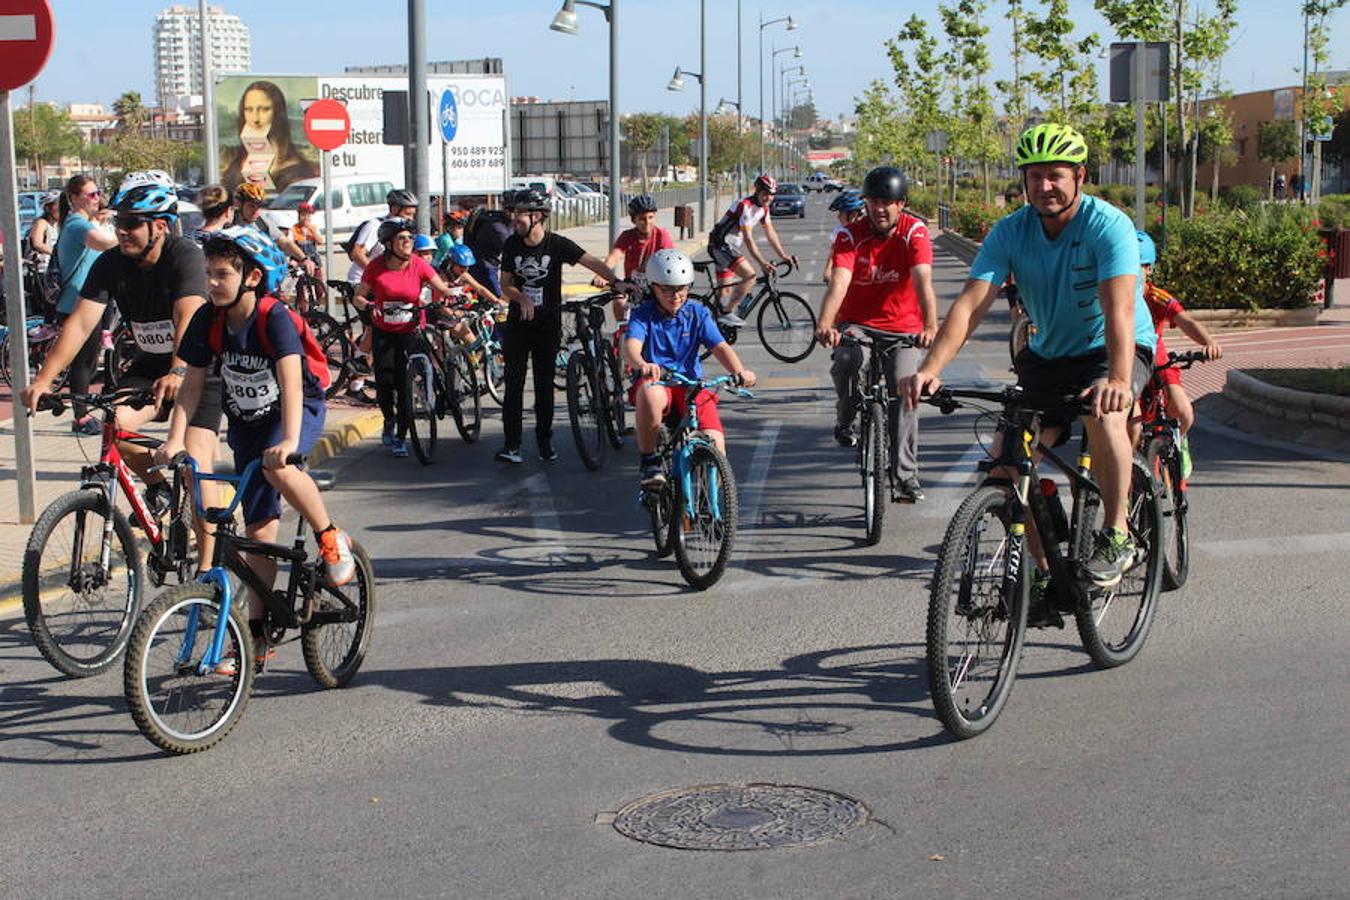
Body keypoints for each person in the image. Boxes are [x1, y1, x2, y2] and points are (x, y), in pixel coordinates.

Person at [900, 123, 1159, 594]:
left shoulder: (1108, 226)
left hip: (1112, 348)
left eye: (1055, 175)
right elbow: (970, 305)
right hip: (1049, 354)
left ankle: (1117, 533)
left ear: (1080, 176)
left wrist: (1119, 380)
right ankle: (1042, 577)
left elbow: (1119, 309)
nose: (1045, 186)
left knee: (1105, 416)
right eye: (1035, 176)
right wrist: (929, 370)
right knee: (1006, 469)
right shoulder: (1011, 232)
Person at [158, 226, 354, 673]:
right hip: (247, 424)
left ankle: (330, 536)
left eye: (222, 274)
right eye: (208, 273)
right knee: (259, 537)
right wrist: (174, 440)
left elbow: (291, 381)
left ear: (252, 277)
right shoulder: (209, 319)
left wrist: (289, 441)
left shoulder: (273, 317)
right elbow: (191, 386)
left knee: (279, 469)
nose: (211, 282)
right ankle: (256, 641)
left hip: (294, 411)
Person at [23, 171, 223, 567]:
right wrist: (43, 380)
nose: (122, 230)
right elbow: (81, 323)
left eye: (132, 223)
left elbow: (188, 317)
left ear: (160, 226)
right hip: (149, 366)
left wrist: (178, 371)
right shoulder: (110, 263)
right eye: (119, 221)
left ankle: (208, 574)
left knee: (195, 465)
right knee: (116, 426)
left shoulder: (185, 256)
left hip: (198, 369)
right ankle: (157, 488)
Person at [816, 167, 938, 503]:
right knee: (848, 360)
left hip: (904, 328)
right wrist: (825, 323)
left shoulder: (914, 232)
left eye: (887, 203)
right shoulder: (849, 235)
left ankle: (905, 477)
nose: (880, 209)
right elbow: (839, 281)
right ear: (865, 203)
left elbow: (922, 279)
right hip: (857, 323)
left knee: (907, 389)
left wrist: (930, 326)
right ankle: (845, 419)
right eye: (873, 202)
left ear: (901, 204)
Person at [496, 188, 634, 464]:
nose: (514, 218)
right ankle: (512, 446)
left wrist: (617, 282)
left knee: (544, 385)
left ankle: (545, 443)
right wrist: (520, 297)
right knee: (513, 385)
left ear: (536, 216)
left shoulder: (556, 244)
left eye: (519, 213)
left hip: (547, 325)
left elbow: (591, 262)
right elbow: (505, 284)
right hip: (518, 325)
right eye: (513, 212)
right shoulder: (512, 244)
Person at [624, 249, 757, 487]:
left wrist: (739, 372)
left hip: (690, 385)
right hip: (659, 382)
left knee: (716, 442)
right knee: (650, 392)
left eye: (681, 288)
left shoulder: (697, 312)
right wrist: (643, 364)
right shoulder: (642, 315)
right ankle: (649, 461)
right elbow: (631, 347)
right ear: (653, 288)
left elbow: (720, 346)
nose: (675, 296)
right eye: (667, 289)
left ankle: (710, 500)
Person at [351, 217, 465, 458]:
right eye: (401, 238)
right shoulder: (376, 266)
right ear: (389, 243)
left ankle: (401, 436)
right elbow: (358, 297)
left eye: (410, 238)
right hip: (384, 331)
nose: (408, 242)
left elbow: (440, 286)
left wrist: (454, 294)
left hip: (410, 329)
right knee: (385, 383)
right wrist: (369, 305)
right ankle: (389, 420)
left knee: (405, 384)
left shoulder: (418, 264)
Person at [1136, 230, 1222, 477]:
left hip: (1158, 360)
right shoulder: (1113, 295)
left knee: (1184, 413)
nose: (1131, 274)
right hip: (1128, 362)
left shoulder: (1156, 297)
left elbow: (1186, 321)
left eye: (1138, 267)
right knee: (1130, 425)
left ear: (1149, 269)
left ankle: (1176, 442)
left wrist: (1209, 342)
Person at [50, 175, 118, 433]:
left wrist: (101, 221)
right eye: (90, 194)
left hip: (84, 301)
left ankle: (79, 409)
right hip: (76, 303)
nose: (97, 198)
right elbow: (102, 243)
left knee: (87, 361)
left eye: (97, 192)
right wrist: (130, 237)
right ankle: (81, 417)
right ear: (74, 198)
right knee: (84, 362)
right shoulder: (77, 224)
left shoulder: (80, 222)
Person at [706, 173, 796, 327]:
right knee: (750, 276)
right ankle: (727, 313)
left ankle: (710, 326)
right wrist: (762, 263)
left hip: (729, 247)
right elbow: (748, 238)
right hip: (721, 246)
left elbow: (770, 233)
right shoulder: (745, 206)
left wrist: (783, 255)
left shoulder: (764, 209)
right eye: (765, 194)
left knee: (724, 293)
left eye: (772, 195)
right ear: (757, 191)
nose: (769, 198)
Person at [221, 80, 317, 194]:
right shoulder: (234, 160)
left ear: (277, 113)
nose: (255, 119)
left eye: (264, 109)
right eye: (248, 109)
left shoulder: (296, 171)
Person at [594, 193, 674, 326]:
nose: (647, 222)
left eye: (650, 217)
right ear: (634, 220)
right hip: (632, 283)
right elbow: (615, 255)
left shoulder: (662, 235)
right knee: (619, 301)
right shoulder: (627, 236)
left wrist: (646, 267)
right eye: (642, 219)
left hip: (656, 284)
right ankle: (623, 330)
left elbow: (664, 257)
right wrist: (602, 274)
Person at [233, 182, 313, 273]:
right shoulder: (230, 222)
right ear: (239, 205)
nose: (256, 211)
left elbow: (284, 241)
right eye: (251, 206)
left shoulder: (261, 221)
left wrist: (304, 259)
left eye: (259, 207)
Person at [347, 188, 418, 286]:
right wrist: (378, 274)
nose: (411, 218)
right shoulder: (375, 225)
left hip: (387, 281)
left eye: (413, 215)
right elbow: (357, 254)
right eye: (407, 214)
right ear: (394, 209)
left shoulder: (406, 230)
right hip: (362, 281)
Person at [462, 194, 513, 297]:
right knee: (496, 296)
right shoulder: (496, 226)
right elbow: (512, 248)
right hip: (484, 266)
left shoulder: (502, 220)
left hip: (490, 264)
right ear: (507, 210)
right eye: (518, 211)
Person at [822, 190, 865, 285]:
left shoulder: (872, 230)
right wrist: (828, 270)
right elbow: (834, 251)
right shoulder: (841, 231)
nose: (838, 217)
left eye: (841, 213)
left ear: (853, 215)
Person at [28, 192, 60, 283]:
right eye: (59, 206)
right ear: (48, 208)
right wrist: (57, 253)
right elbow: (37, 243)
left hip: (54, 269)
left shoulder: (59, 226)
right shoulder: (41, 223)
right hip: (41, 271)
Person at [291, 201, 324, 270]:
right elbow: (290, 245)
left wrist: (312, 231)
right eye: (303, 215)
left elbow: (321, 242)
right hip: (299, 261)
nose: (306, 218)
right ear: (299, 216)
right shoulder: (293, 229)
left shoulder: (313, 228)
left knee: (318, 275)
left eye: (308, 216)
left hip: (313, 260)